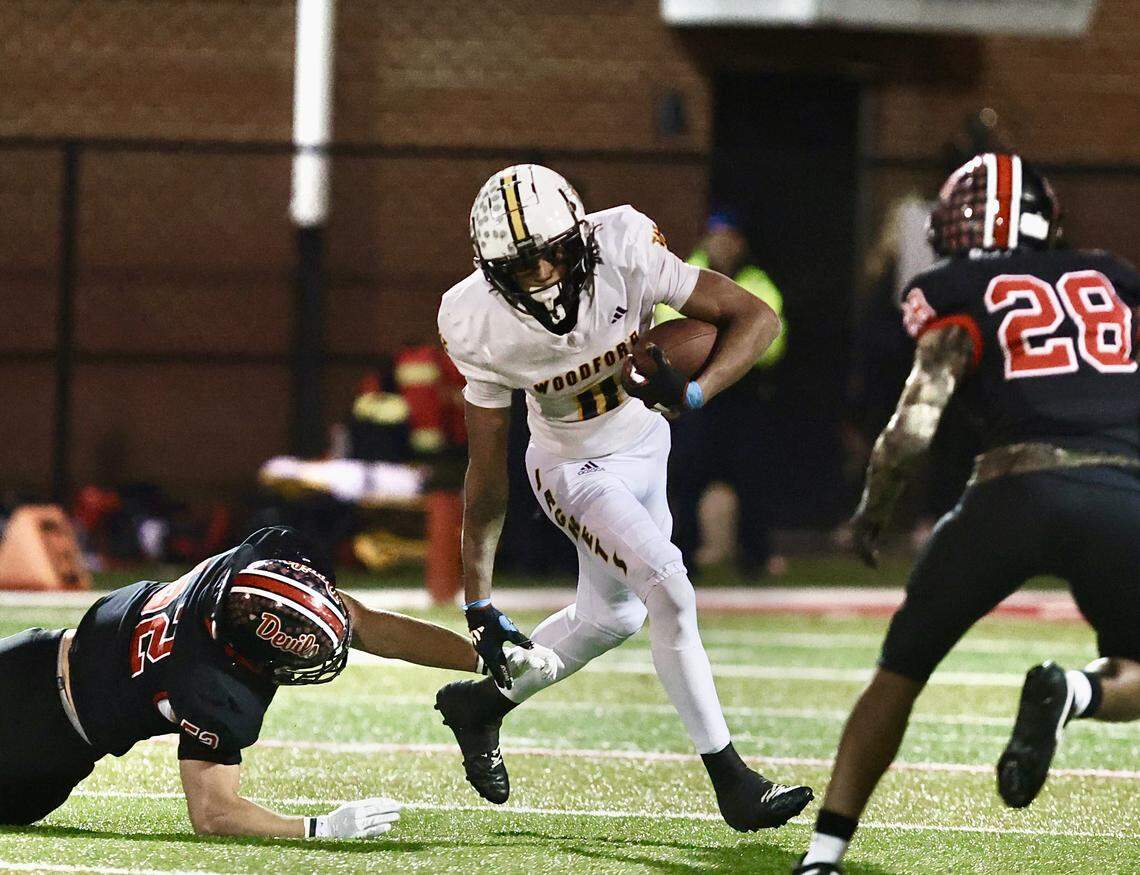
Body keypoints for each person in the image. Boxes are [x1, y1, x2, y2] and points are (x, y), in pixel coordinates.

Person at [433, 163, 813, 832]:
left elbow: (757, 317)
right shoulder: (475, 319)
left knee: (612, 618)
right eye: (520, 266)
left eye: (551, 253)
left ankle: (482, 706)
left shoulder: (627, 245)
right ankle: (733, 782)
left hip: (646, 443)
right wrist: (478, 599)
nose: (543, 276)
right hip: (571, 470)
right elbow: (485, 471)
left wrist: (692, 392)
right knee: (670, 587)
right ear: (491, 270)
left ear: (578, 235)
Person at [793, 153, 1140, 874]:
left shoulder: (956, 287)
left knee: (898, 672)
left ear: (955, 224)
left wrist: (873, 508)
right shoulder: (1111, 274)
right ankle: (1074, 690)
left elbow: (918, 419)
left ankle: (823, 856)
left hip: (1012, 489)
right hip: (1122, 487)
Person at [0, 525, 549, 836]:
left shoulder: (255, 564)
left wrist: (480, 659)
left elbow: (363, 623)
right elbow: (213, 815)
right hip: (40, 749)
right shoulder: (214, 688)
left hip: (33, 654)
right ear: (249, 660)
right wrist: (315, 829)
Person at [657, 210, 788, 578]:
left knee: (752, 478)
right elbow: (668, 332)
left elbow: (769, 341)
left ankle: (755, 556)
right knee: (684, 476)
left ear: (741, 243)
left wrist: (712, 338)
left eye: (730, 236)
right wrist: (731, 338)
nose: (723, 243)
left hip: (742, 396)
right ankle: (681, 554)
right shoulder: (684, 274)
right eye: (717, 235)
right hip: (693, 395)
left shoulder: (757, 282)